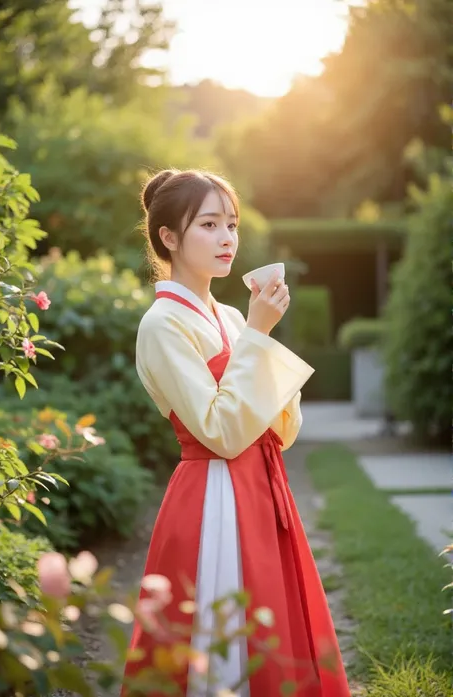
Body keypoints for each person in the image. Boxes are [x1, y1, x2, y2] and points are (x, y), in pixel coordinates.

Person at [122, 169, 351, 697]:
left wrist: (256, 334)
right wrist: (259, 335)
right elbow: (220, 432)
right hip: (213, 495)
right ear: (169, 238)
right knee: (222, 636)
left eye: (231, 224)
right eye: (208, 224)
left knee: (274, 622)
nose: (227, 238)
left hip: (263, 484)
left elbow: (282, 426)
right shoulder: (161, 324)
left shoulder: (228, 314)